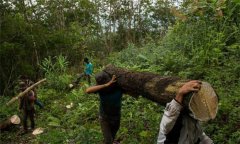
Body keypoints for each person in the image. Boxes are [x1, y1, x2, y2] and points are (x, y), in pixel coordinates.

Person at [85, 73, 122, 144]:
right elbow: (88, 90)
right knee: (108, 141)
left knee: (112, 136)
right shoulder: (101, 89)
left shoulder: (118, 87)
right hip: (104, 118)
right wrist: (106, 85)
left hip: (116, 117)